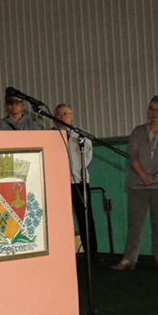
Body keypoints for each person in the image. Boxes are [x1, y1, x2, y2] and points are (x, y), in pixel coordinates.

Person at [112, 96, 158, 271]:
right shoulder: (138, 131)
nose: (154, 113)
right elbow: (131, 155)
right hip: (137, 183)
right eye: (151, 109)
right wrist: (143, 176)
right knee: (135, 222)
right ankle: (129, 259)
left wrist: (157, 177)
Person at [54, 104, 99, 259]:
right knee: (60, 218)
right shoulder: (50, 135)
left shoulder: (81, 135)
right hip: (58, 183)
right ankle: (62, 253)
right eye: (59, 114)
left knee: (85, 216)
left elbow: (87, 155)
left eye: (65, 113)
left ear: (71, 116)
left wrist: (77, 170)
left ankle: (91, 253)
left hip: (79, 180)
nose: (62, 117)